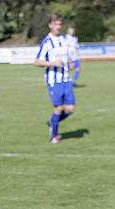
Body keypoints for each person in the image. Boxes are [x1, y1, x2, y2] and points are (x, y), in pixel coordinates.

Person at [35, 14, 76, 144]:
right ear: (50, 25)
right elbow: (37, 62)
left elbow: (67, 57)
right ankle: (54, 136)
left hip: (66, 79)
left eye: (60, 24)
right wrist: (52, 63)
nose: (58, 27)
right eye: (55, 24)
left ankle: (53, 121)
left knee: (70, 109)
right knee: (58, 108)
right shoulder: (47, 42)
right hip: (54, 80)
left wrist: (70, 63)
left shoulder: (64, 40)